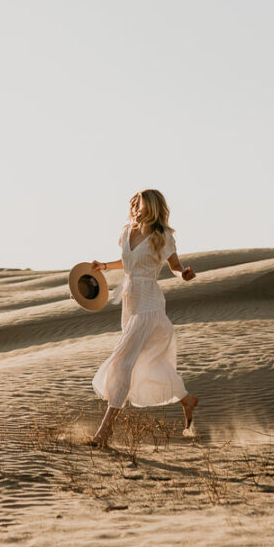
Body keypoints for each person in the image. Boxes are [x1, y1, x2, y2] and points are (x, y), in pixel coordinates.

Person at [88, 189, 199, 446]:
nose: (137, 207)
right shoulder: (126, 232)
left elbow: (175, 267)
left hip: (150, 306)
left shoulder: (162, 237)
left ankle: (104, 432)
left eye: (142, 204)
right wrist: (104, 266)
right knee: (146, 364)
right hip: (130, 304)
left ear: (153, 207)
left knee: (122, 362)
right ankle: (186, 399)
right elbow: (128, 263)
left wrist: (184, 275)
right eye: (136, 203)